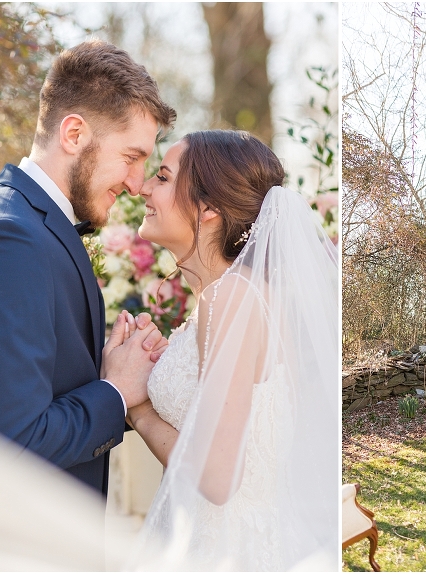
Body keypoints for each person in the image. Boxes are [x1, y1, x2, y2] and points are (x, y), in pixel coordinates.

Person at [0, 39, 176, 496]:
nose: (137, 184)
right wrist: (115, 392)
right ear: (74, 134)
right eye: (132, 157)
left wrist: (110, 369)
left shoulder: (35, 229)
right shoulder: (6, 238)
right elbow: (10, 444)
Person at [122, 130, 338, 570]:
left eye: (162, 177)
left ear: (209, 209)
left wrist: (138, 409)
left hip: (226, 551)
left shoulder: (231, 298)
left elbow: (218, 478)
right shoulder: (236, 297)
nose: (144, 187)